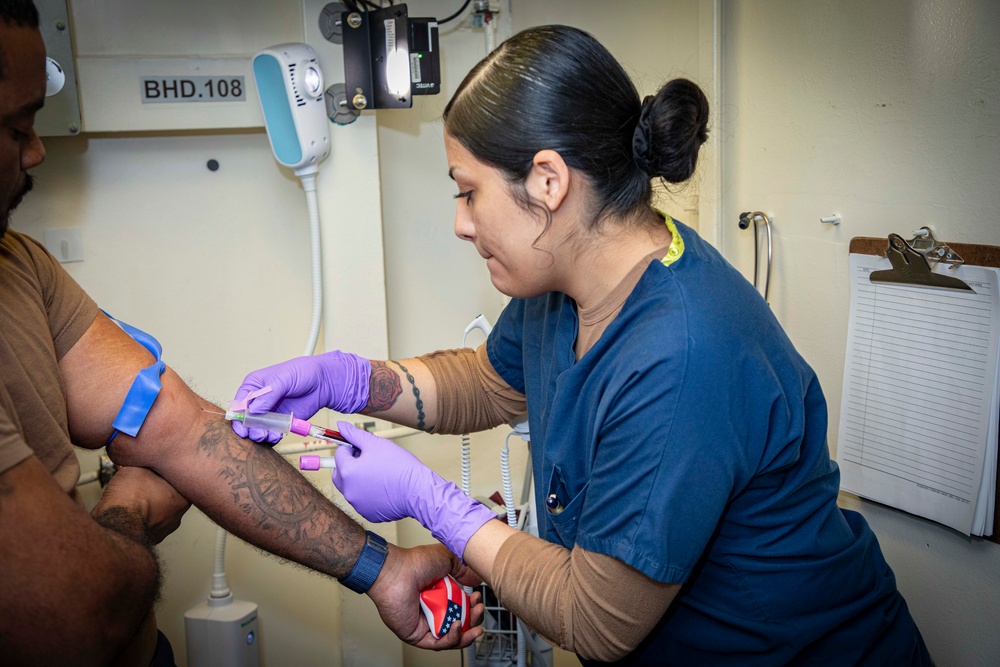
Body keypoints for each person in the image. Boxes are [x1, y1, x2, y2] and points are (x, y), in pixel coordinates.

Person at [231, 24, 933, 666]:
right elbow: (490, 381)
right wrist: (350, 380)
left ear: (548, 180)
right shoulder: (562, 283)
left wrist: (429, 496)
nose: (460, 223)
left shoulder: (683, 353)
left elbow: (596, 618)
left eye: (468, 192)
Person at [0, 3, 481, 665]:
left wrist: (383, 567)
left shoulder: (19, 265)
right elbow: (80, 613)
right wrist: (129, 509)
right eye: (14, 126)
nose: (36, 149)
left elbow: (184, 433)